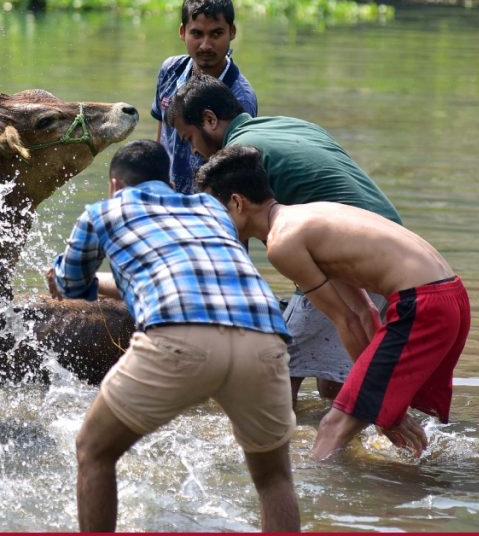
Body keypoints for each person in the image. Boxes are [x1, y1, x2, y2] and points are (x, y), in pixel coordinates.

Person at [47, 140, 299, 532]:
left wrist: (61, 281)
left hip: (179, 337)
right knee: (274, 479)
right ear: (167, 180)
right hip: (264, 337)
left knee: (93, 450)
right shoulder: (210, 208)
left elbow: (74, 292)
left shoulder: (102, 212)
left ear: (115, 184)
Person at [196, 145, 469, 460]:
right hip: (448, 297)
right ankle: (414, 485)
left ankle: (319, 500)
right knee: (378, 416)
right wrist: (378, 401)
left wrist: (378, 401)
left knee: (332, 427)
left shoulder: (282, 243)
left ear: (236, 203)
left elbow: (348, 320)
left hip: (424, 305)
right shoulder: (306, 216)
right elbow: (364, 312)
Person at [169, 72, 402, 404]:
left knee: (274, 368)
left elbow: (268, 239)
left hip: (352, 255)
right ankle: (355, 441)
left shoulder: (243, 155)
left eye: (189, 138)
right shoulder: (286, 124)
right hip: (390, 245)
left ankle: (288, 449)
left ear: (209, 120)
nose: (193, 150)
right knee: (332, 384)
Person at [151, 0, 257, 194]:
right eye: (197, 34)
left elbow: (234, 171)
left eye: (216, 34)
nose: (206, 45)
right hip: (167, 194)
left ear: (232, 32)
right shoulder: (170, 70)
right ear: (182, 32)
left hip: (206, 204)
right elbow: (162, 132)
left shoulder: (239, 97)